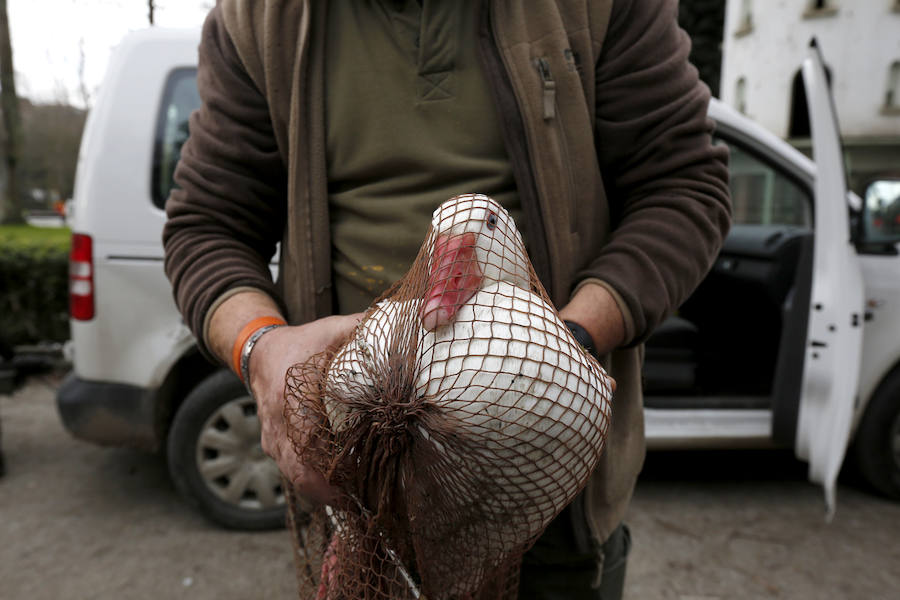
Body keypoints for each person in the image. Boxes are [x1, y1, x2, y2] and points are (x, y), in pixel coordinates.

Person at [163, 0, 731, 597]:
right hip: (354, 477)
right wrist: (261, 350)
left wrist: (568, 348)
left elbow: (684, 186)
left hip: (552, 489)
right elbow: (206, 225)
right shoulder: (255, 18)